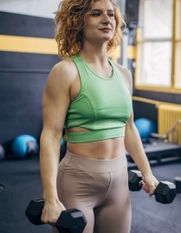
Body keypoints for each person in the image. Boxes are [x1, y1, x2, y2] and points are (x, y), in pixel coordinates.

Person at [39, 0, 159, 232]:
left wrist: (147, 173)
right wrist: (50, 197)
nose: (107, 20)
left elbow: (130, 128)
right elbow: (51, 135)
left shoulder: (124, 74)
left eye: (111, 14)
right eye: (96, 14)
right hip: (78, 182)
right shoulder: (65, 71)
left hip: (119, 182)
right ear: (78, 21)